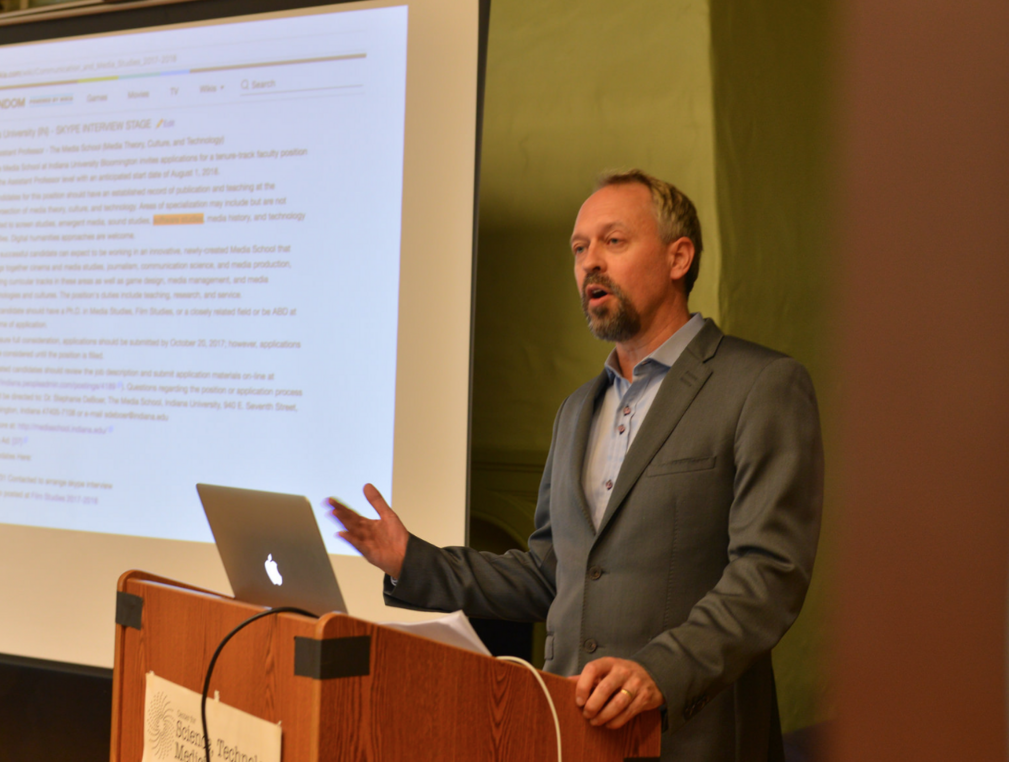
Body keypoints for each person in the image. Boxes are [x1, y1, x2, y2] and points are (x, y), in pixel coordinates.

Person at [330, 169, 823, 762]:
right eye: (579, 248)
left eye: (613, 242)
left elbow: (768, 578)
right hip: (570, 730)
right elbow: (550, 575)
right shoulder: (575, 412)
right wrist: (413, 562)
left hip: (693, 738)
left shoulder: (760, 385)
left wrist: (659, 673)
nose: (591, 262)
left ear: (678, 257)